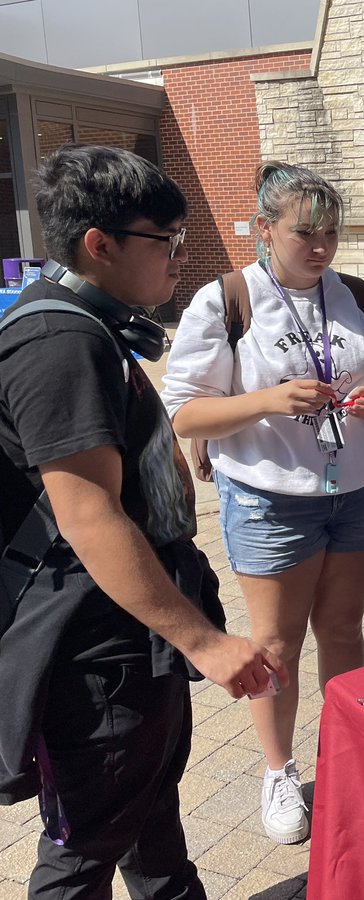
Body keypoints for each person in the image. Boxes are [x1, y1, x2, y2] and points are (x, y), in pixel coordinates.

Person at [0, 144, 283, 898]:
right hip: (95, 652)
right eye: (167, 241)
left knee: (150, 817)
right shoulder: (58, 343)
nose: (179, 260)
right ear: (100, 244)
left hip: (129, 636)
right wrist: (204, 640)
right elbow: (89, 516)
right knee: (86, 848)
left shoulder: (87, 325)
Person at [162, 160, 364, 845]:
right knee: (275, 645)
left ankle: (345, 756)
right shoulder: (227, 299)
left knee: (342, 631)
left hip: (358, 491)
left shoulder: (358, 295)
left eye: (331, 232)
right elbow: (182, 412)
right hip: (272, 500)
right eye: (307, 233)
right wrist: (269, 400)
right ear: (264, 229)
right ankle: (279, 772)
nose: (322, 246)